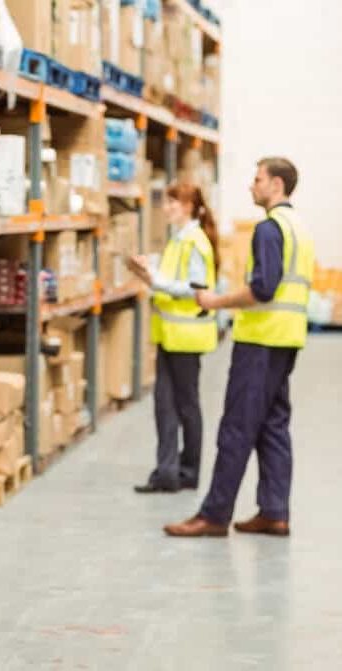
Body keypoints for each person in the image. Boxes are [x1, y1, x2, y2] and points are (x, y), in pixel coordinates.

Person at [164, 157, 314, 538]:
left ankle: (214, 515)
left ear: (276, 185)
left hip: (260, 342)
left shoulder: (269, 228)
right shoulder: (298, 227)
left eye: (258, 179)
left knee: (236, 428)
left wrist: (215, 302)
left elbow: (263, 289)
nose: (252, 185)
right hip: (286, 339)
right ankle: (275, 512)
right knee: (273, 426)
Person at [127, 183, 219, 493]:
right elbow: (173, 277)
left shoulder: (195, 241)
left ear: (190, 206)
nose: (167, 208)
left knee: (186, 406)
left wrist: (155, 280)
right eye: (167, 203)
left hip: (187, 335)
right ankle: (167, 473)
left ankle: (189, 471)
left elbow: (196, 288)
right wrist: (148, 269)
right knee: (164, 404)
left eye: (174, 203)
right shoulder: (178, 240)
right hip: (170, 333)